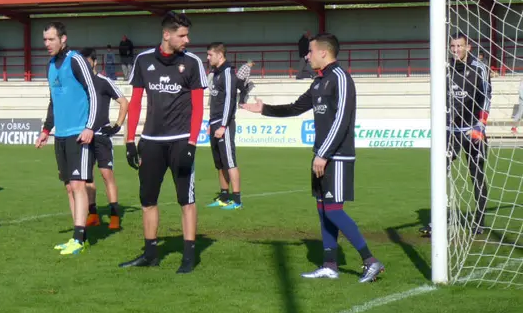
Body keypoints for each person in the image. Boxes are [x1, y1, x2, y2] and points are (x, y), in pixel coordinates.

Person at [241, 33, 385, 283]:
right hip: (321, 155)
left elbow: (342, 120)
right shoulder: (319, 82)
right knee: (323, 210)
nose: (306, 56)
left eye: (310, 51)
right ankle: (330, 265)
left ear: (323, 52)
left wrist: (324, 153)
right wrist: (264, 109)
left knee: (334, 211)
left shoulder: (341, 78)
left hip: (337, 157)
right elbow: (295, 108)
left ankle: (370, 261)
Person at [120, 12, 207, 274]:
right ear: (166, 35)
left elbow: (198, 108)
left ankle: (189, 257)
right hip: (151, 143)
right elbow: (136, 103)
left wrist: (192, 144)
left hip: (180, 142)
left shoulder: (192, 63)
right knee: (147, 200)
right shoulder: (143, 60)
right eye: (182, 35)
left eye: (187, 35)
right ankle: (150, 255)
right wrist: (130, 141)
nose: (187, 40)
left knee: (186, 200)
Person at [34, 22, 98, 256]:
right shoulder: (51, 65)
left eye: (51, 39)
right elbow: (54, 101)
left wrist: (90, 127)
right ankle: (79, 236)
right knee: (70, 188)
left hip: (79, 133)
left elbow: (93, 93)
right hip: (60, 135)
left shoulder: (76, 60)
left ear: (63, 39)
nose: (47, 44)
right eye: (45, 39)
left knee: (79, 185)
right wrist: (46, 130)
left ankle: (78, 239)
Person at [420, 33, 491, 237]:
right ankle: (436, 221)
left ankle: (479, 221)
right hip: (450, 131)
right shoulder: (444, 68)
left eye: (459, 46)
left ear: (468, 47)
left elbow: (487, 96)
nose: (455, 49)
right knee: (439, 173)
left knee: (476, 174)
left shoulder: (479, 68)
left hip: (473, 130)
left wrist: (481, 124)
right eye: (452, 46)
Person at [79, 48, 129, 230]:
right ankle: (93, 215)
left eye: (87, 62)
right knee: (87, 178)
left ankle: (114, 216)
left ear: (94, 62)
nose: (85, 66)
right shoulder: (79, 83)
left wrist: (117, 126)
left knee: (107, 175)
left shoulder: (104, 82)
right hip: (84, 136)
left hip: (101, 136)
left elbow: (124, 102)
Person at [205, 43, 242, 210]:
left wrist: (223, 125)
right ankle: (224, 197)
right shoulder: (216, 73)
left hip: (223, 123)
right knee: (219, 163)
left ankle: (237, 200)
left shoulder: (227, 72)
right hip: (214, 123)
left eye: (210, 55)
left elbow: (229, 101)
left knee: (230, 161)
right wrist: (210, 123)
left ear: (220, 55)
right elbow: (214, 101)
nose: (208, 58)